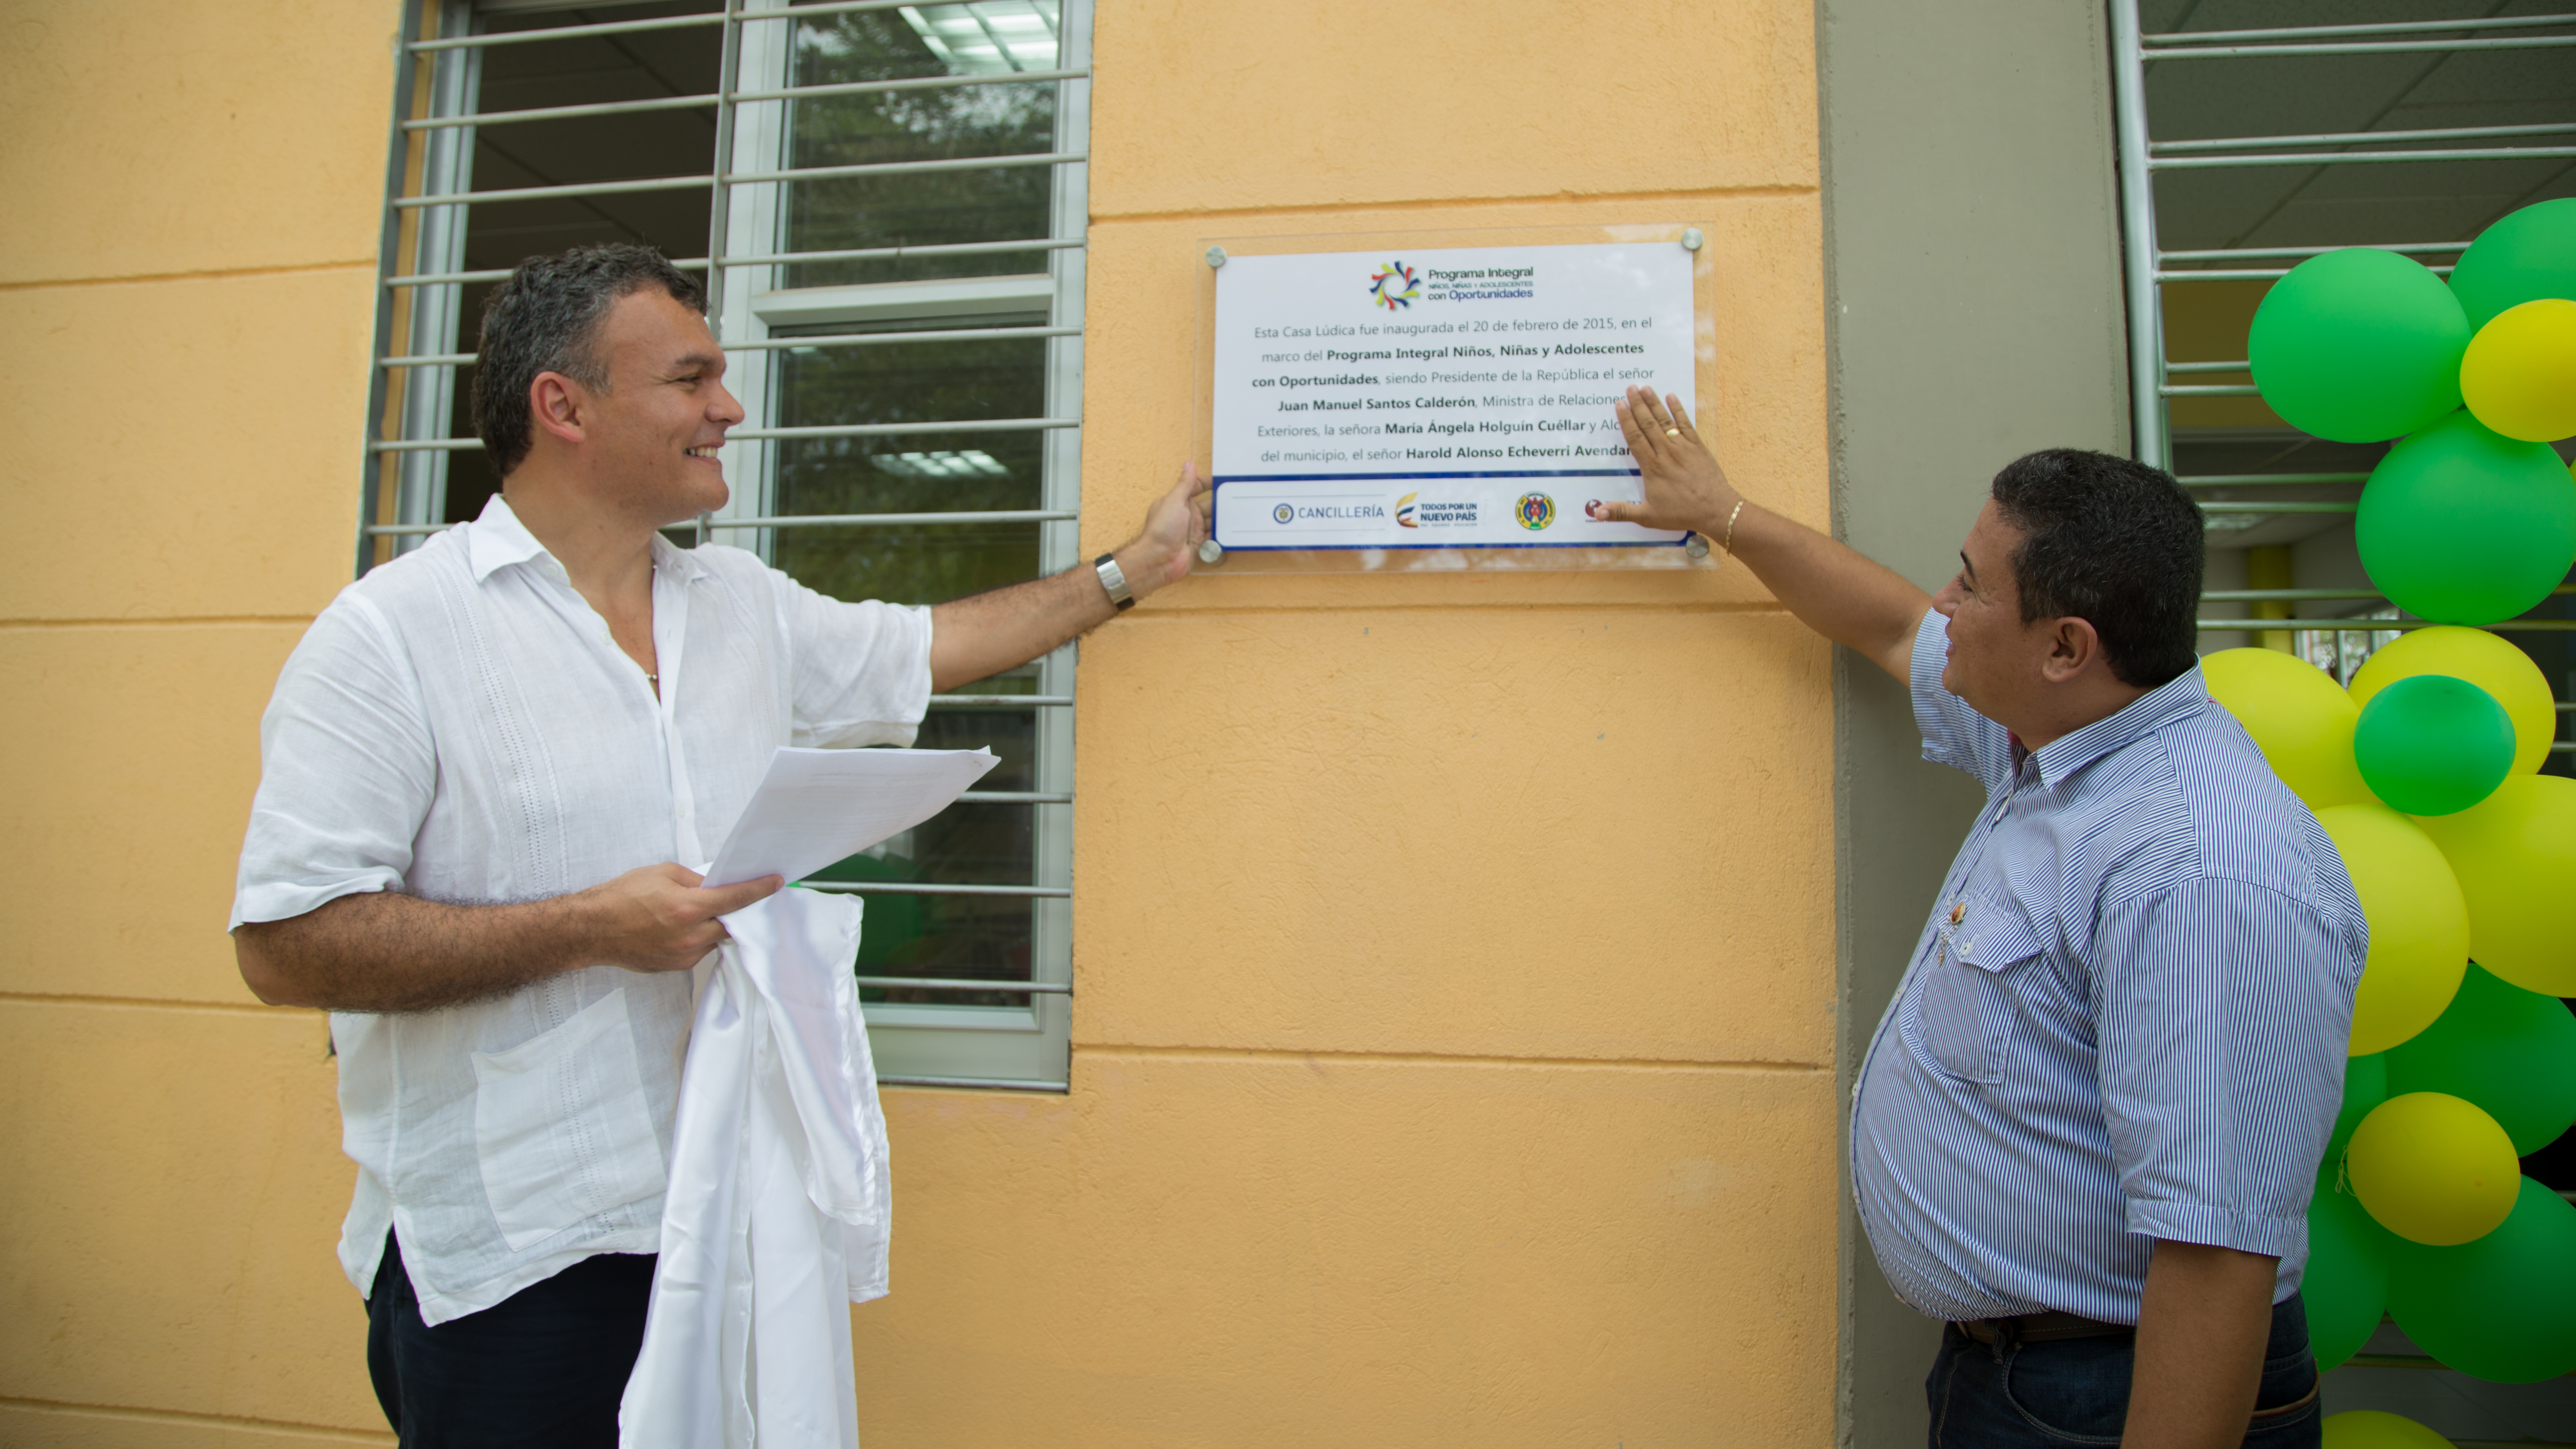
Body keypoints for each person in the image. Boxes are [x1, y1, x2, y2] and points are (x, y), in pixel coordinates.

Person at [230, 243, 1208, 1446]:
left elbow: (926, 650)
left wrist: (1135, 568)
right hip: (519, 1255)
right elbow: (285, 945)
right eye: (690, 380)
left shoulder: (737, 605)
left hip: (726, 1214)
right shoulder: (390, 639)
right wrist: (591, 928)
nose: (728, 408)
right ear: (564, 406)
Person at [1595, 389, 2364, 1448]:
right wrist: (1721, 512)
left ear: (2066, 645)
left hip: (2113, 1394)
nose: (1947, 602)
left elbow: (2217, 1254)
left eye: (1972, 582)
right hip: (2018, 1373)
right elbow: (1889, 623)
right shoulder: (2054, 733)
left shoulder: (2201, 870)